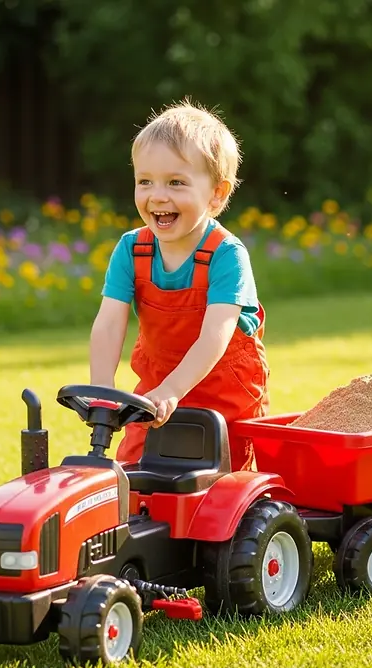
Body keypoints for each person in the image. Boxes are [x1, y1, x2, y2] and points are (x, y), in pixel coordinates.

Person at [88, 99, 270, 471]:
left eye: (176, 182)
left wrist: (174, 390)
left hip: (225, 399)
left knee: (224, 491)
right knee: (133, 477)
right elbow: (109, 323)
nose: (157, 195)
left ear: (217, 194)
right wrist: (102, 390)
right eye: (145, 181)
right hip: (153, 393)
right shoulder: (131, 250)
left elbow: (214, 336)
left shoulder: (226, 255)